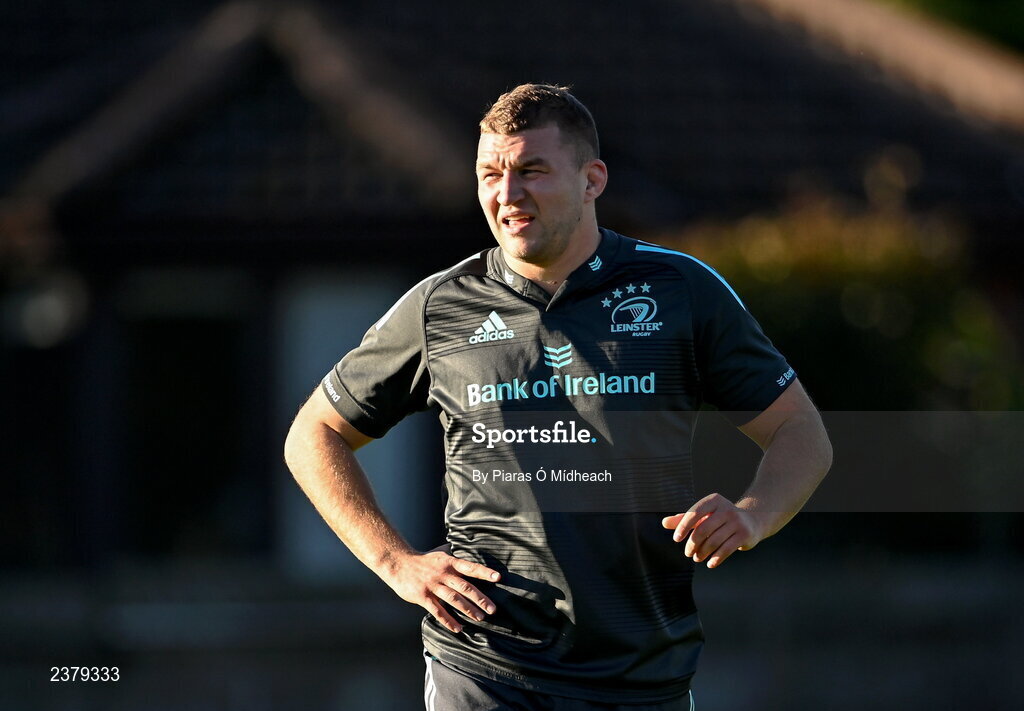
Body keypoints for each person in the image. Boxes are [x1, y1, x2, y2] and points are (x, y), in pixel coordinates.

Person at [284, 83, 832, 710]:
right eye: (490, 173)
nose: (507, 195)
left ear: (592, 179)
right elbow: (314, 434)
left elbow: (801, 432)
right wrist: (394, 561)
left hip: (643, 671)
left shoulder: (680, 290)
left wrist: (754, 514)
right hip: (486, 664)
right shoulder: (440, 306)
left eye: (532, 171)